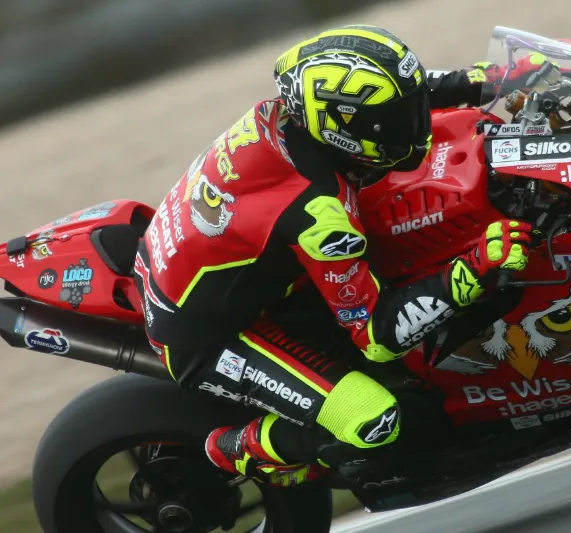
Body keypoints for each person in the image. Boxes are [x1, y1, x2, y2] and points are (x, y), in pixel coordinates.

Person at [134, 25, 534, 487]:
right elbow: (378, 336)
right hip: (208, 337)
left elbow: (408, 91)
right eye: (396, 122)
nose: (416, 126)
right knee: (374, 421)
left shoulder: (290, 113)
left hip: (201, 265)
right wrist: (470, 272)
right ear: (347, 130)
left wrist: (497, 79)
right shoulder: (320, 216)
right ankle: (239, 449)